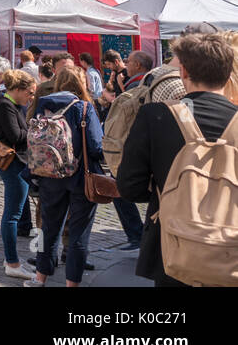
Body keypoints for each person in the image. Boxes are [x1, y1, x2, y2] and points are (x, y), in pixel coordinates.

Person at [117, 31, 238, 286]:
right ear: (229, 75)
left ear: (183, 72)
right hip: (231, 252)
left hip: (172, 248)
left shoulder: (155, 116)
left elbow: (129, 186)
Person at [26, 67, 106, 288]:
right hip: (80, 177)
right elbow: (96, 146)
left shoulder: (43, 105)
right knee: (79, 232)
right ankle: (72, 284)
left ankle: (40, 278)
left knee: (48, 229)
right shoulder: (83, 108)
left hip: (48, 175)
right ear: (81, 84)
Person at [0, 69, 37, 279]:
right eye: (30, 92)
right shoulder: (6, 105)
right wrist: (36, 129)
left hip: (16, 163)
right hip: (13, 164)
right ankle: (12, 262)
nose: (31, 97)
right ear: (18, 89)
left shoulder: (11, 104)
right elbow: (16, 135)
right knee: (12, 215)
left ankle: (12, 258)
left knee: (13, 214)